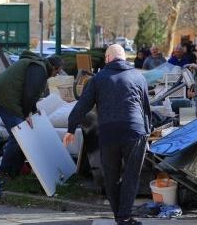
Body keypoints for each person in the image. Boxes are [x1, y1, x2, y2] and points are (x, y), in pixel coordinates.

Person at [64, 44, 151, 225]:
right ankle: (124, 216)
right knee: (131, 175)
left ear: (108, 58)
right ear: (124, 58)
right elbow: (146, 109)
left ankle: (120, 216)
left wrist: (71, 128)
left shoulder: (98, 78)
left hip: (109, 132)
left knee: (111, 176)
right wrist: (148, 132)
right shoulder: (138, 77)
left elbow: (82, 105)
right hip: (134, 131)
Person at [0, 51, 62, 177]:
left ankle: (15, 171)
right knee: (19, 135)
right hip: (4, 98)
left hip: (4, 97)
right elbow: (28, 94)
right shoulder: (39, 69)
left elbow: (31, 94)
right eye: (57, 72)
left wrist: (34, 111)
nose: (55, 75)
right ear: (53, 67)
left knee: (21, 135)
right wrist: (25, 115)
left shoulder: (38, 67)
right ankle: (5, 171)